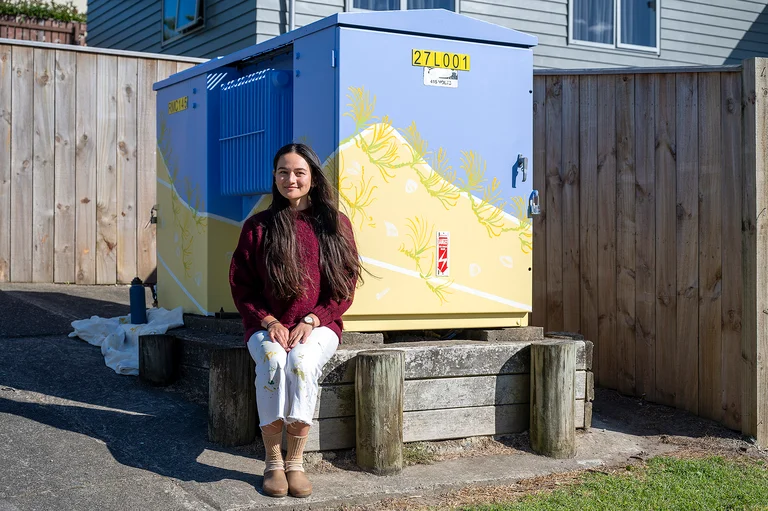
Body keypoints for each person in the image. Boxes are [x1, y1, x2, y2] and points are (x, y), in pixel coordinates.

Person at [229, 143, 363, 499]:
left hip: (318, 326)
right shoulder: (258, 227)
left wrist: (313, 318)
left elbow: (344, 289)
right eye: (283, 172)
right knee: (274, 362)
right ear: (274, 178)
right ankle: (273, 462)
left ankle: (296, 462)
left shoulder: (335, 225)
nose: (291, 179)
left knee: (301, 362)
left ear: (313, 178)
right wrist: (269, 320)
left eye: (299, 172)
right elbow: (241, 286)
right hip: (265, 326)